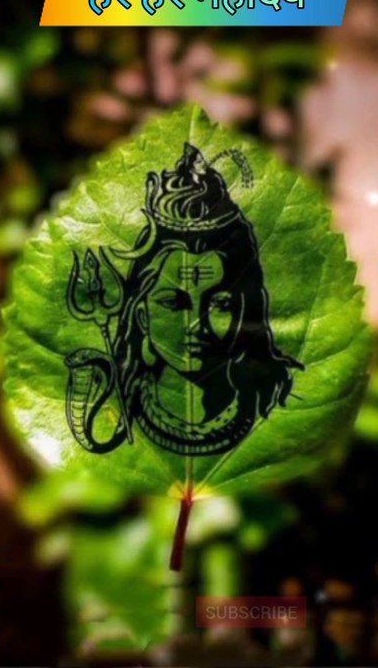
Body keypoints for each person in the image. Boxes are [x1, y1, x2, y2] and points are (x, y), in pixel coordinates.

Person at [111, 142, 303, 455]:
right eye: (174, 303)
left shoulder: (289, 417)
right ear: (141, 316)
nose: (196, 324)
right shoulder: (107, 418)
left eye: (221, 305)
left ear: (245, 309)